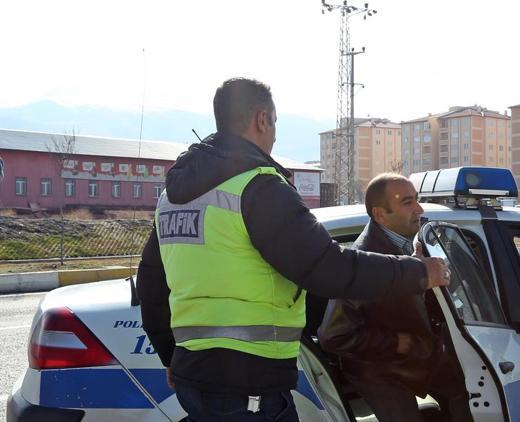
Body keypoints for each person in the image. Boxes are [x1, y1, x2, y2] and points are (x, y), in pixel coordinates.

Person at [136, 78, 450, 422]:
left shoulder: (172, 199)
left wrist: (171, 356)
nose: (274, 135)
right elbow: (330, 268)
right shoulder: (257, 186)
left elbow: (152, 285)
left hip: (194, 377)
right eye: (274, 124)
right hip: (248, 383)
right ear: (262, 120)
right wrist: (420, 272)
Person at [317, 173, 473, 422]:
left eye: (417, 200)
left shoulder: (411, 246)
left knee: (468, 394)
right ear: (380, 214)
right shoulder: (363, 264)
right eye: (408, 202)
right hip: (378, 369)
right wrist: (398, 343)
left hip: (418, 355)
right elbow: (333, 335)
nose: (419, 209)